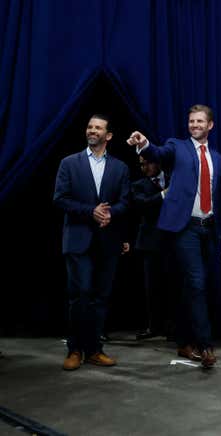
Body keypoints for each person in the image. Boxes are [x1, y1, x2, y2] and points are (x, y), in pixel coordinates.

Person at [126, 104, 221, 369]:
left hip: (208, 228)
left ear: (210, 125)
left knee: (191, 288)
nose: (194, 125)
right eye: (191, 121)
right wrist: (143, 144)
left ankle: (184, 341)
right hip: (185, 228)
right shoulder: (177, 147)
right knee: (197, 283)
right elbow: (157, 152)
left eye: (199, 121)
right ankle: (205, 345)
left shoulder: (218, 158)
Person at [53, 114, 130, 371]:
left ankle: (94, 349)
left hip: (107, 241)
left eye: (98, 127)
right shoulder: (69, 163)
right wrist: (90, 211)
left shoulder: (120, 167)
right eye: (89, 126)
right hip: (78, 240)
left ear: (108, 136)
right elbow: (60, 198)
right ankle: (75, 349)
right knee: (80, 295)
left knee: (101, 297)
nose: (92, 130)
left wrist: (111, 213)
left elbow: (125, 202)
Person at [131, 155, 172, 341]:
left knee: (173, 285)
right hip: (150, 244)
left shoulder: (173, 178)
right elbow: (143, 205)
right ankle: (153, 326)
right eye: (141, 164)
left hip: (173, 241)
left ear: (158, 162)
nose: (144, 168)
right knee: (152, 287)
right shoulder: (138, 185)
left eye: (147, 163)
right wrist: (164, 194)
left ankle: (172, 327)